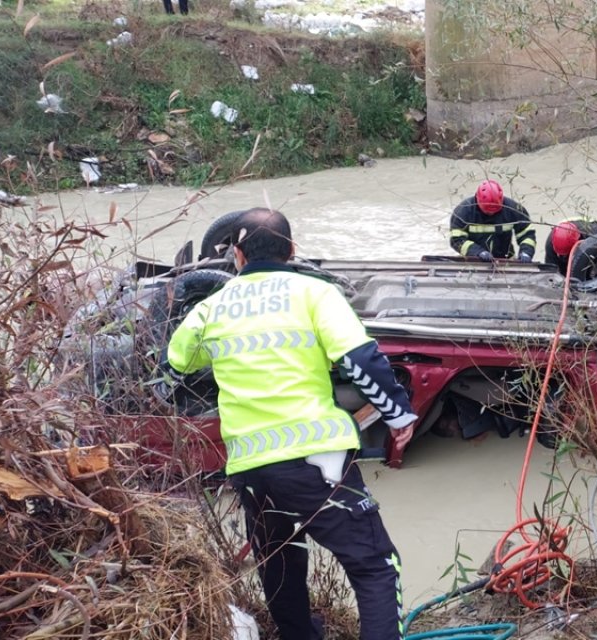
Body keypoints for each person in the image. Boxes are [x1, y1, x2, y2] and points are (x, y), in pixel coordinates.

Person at [167, 208, 416, 640]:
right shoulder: (314, 293)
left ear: (237, 256)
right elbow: (359, 360)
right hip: (317, 461)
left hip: (250, 468)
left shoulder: (212, 307)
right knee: (375, 566)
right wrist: (398, 415)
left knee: (278, 561)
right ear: (292, 250)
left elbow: (178, 360)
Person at [448, 180, 536, 262]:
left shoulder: (513, 209)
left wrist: (526, 252)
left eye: (495, 210)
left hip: (505, 260)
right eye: (487, 211)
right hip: (474, 260)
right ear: (478, 201)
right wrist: (477, 252)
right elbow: (456, 240)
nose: (491, 213)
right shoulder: (463, 212)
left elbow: (527, 234)